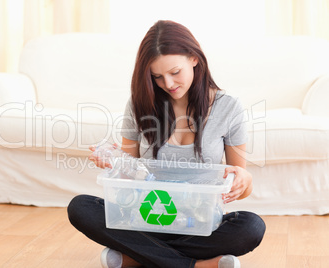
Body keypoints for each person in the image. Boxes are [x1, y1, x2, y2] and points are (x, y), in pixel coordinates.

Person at [68, 20, 265, 268]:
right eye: (157, 76)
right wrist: (114, 161)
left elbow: (240, 184)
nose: (168, 84)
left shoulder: (229, 108)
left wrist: (244, 180)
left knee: (251, 226)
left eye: (175, 72)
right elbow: (126, 182)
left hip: (199, 221)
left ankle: (138, 257)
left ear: (194, 58)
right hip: (147, 218)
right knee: (80, 207)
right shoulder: (140, 104)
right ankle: (195, 265)